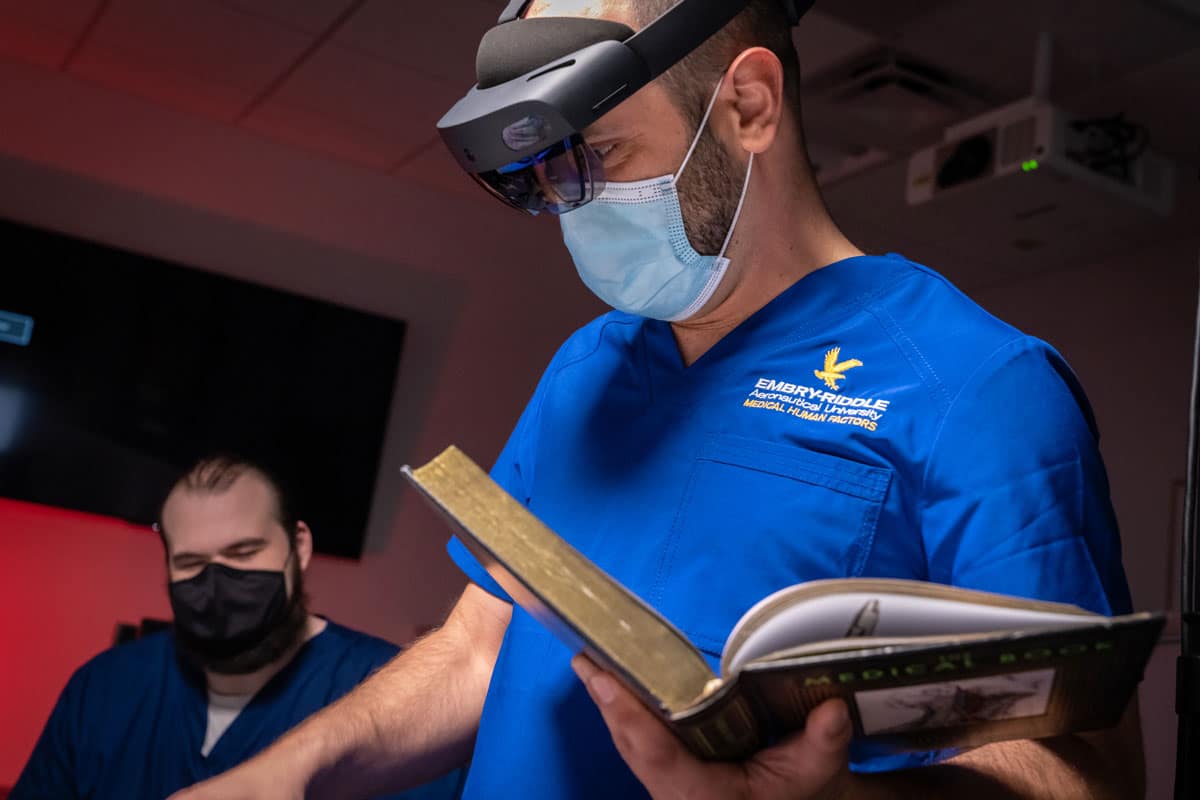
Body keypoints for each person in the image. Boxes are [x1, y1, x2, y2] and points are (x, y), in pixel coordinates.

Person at [172, 1, 1144, 798]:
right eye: (547, 173)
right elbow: (479, 647)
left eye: (599, 153)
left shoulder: (975, 386)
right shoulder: (591, 365)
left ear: (749, 106)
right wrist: (288, 773)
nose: (571, 202)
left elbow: (1083, 768)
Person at [11, 455, 465, 800]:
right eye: (191, 562)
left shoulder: (398, 695)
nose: (216, 582)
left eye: (243, 553)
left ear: (299, 547)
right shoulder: (103, 690)